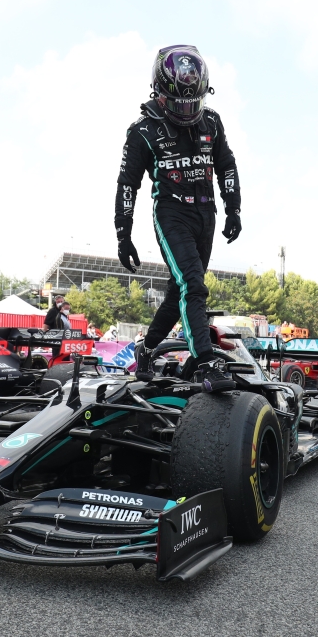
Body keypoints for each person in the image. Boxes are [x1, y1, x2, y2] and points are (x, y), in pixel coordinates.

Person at [116, 45, 241, 393]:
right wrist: (123, 233)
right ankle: (206, 362)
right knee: (193, 286)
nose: (187, 110)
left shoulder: (212, 121)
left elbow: (227, 165)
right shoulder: (141, 131)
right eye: (179, 104)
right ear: (159, 93)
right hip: (171, 214)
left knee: (178, 293)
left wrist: (233, 207)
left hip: (206, 213)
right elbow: (128, 183)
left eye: (193, 103)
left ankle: (145, 349)